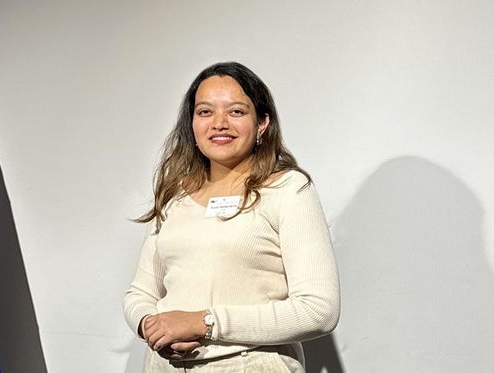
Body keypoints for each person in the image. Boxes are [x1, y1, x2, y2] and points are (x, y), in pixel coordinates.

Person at [123, 61, 339, 372]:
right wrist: (151, 326)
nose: (219, 123)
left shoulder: (288, 189)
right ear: (192, 124)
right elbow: (140, 293)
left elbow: (319, 310)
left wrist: (204, 322)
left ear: (262, 123)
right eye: (205, 112)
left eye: (236, 111)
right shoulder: (175, 196)